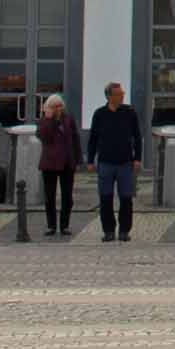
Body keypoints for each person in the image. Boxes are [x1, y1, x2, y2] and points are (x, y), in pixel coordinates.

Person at [87, 82, 143, 243]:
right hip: (105, 162)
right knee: (105, 198)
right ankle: (109, 231)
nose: (122, 96)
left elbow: (137, 137)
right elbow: (93, 139)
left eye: (122, 93)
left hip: (125, 163)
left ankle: (124, 230)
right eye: (119, 94)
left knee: (126, 198)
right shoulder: (99, 114)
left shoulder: (129, 112)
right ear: (110, 96)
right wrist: (90, 160)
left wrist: (137, 158)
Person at [35, 94, 79, 237]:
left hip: (67, 162)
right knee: (50, 196)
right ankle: (51, 225)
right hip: (50, 163)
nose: (59, 109)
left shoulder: (68, 119)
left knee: (67, 197)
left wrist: (77, 159)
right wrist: (49, 119)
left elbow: (75, 138)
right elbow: (43, 136)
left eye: (60, 105)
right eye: (55, 106)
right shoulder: (44, 121)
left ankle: (64, 225)